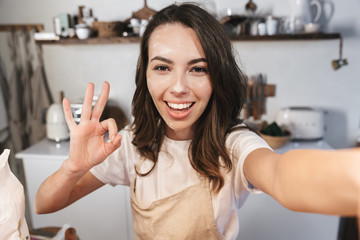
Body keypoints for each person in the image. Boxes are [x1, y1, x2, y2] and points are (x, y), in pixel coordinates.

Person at [35, 3, 360, 239]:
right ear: (145, 75)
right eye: (162, 67)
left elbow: (281, 176)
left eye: (198, 68)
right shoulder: (133, 143)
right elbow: (44, 205)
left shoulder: (232, 143)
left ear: (217, 77)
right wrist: (72, 168)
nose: (178, 87)